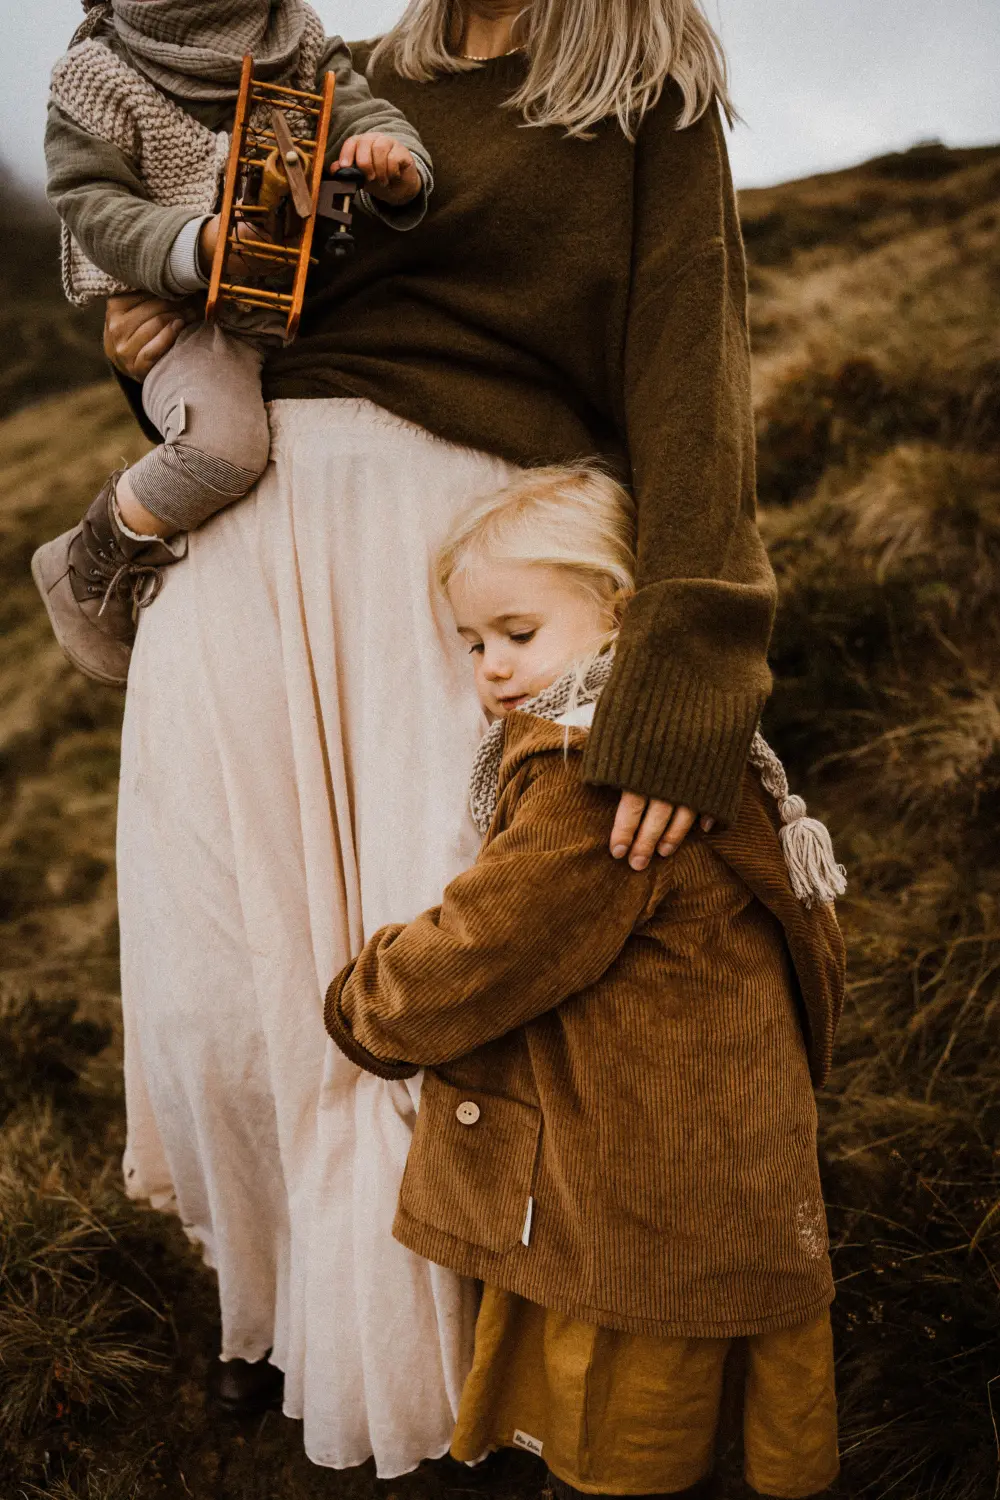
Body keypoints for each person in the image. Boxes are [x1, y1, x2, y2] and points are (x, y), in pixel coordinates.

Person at [96, 0, 783, 1475]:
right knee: (229, 986)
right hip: (241, 549)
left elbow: (691, 377)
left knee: (427, 988)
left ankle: (461, 1381)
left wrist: (688, 669)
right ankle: (276, 1322)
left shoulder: (642, 91)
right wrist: (149, 331)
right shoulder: (339, 73)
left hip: (462, 566)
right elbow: (233, 291)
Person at [325, 464, 847, 1500]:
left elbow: (489, 949)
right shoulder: (692, 742)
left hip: (642, 1160)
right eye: (473, 645)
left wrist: (365, 1003)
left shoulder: (589, 780)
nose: (492, 668)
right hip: (713, 1130)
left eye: (518, 632)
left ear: (618, 614)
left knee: (629, 1402)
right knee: (692, 1356)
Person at [32, 0, 431, 685]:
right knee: (224, 449)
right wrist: (199, 243)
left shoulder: (295, 36)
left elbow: (356, 111)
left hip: (301, 304)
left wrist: (392, 161)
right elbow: (91, 202)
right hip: (188, 320)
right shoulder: (96, 72)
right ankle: (89, 555)